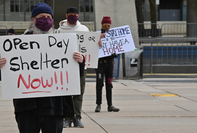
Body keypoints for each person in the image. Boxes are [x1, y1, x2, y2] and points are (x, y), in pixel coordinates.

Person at [0, 2, 85, 133]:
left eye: (48, 17)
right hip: (27, 108)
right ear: (33, 20)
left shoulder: (63, 44)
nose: (46, 19)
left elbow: (74, 75)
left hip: (54, 107)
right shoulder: (17, 46)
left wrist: (79, 62)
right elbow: (8, 76)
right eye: (41, 16)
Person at [58, 6, 89, 128]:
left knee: (79, 93)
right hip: (65, 67)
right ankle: (67, 117)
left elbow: (90, 46)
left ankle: (77, 117)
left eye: (75, 15)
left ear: (78, 16)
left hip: (81, 67)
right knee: (65, 93)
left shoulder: (84, 29)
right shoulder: (59, 30)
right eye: (70, 15)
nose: (73, 17)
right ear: (66, 16)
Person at [95, 16, 120, 113]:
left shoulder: (113, 36)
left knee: (109, 84)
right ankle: (98, 104)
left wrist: (115, 54)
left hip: (109, 63)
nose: (107, 27)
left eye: (108, 26)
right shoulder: (97, 36)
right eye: (105, 25)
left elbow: (117, 47)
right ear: (102, 25)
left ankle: (110, 104)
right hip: (100, 64)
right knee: (99, 84)